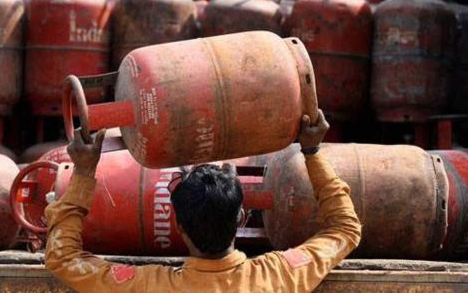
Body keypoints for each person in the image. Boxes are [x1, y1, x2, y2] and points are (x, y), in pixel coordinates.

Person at [44, 110, 361, 292]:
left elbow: (63, 259)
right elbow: (345, 229)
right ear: (241, 218)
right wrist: (312, 151)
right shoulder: (275, 276)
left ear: (179, 226)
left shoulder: (149, 287)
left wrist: (83, 173)